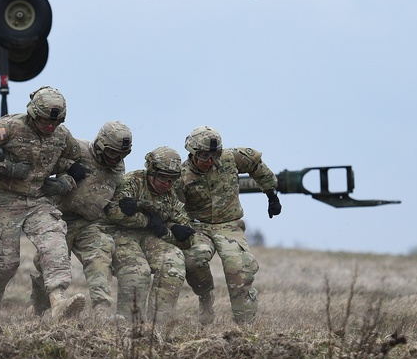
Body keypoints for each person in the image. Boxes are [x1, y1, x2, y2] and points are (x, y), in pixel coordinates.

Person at [0, 85, 86, 320]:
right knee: (4, 263)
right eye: (44, 121)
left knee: (54, 246)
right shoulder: (9, 126)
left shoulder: (62, 136)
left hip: (40, 199)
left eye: (55, 122)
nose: (49, 126)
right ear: (33, 113)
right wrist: (6, 168)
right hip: (5, 199)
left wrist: (64, 183)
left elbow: (77, 164)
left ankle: (58, 302)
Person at [178, 126, 281, 325]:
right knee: (193, 261)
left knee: (239, 269)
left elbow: (256, 165)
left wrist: (271, 195)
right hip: (199, 227)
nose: (210, 161)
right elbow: (173, 207)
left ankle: (244, 328)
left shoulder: (231, 158)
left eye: (214, 155)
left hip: (229, 225)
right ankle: (205, 296)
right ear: (192, 153)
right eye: (204, 156)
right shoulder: (182, 177)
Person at [30, 121, 133, 317]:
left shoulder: (118, 168)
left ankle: (102, 311)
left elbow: (115, 194)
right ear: (101, 144)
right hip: (58, 218)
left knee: (101, 256)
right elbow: (43, 166)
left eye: (122, 154)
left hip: (90, 223)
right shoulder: (76, 150)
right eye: (112, 152)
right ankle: (41, 307)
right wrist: (64, 174)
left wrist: (124, 204)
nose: (116, 158)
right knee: (48, 263)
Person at [105, 146, 195, 324]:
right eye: (162, 177)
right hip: (123, 234)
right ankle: (128, 323)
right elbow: (114, 212)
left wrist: (167, 231)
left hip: (152, 238)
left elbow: (187, 235)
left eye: (173, 178)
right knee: (138, 272)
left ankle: (159, 325)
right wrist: (146, 220)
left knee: (174, 261)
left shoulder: (171, 195)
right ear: (151, 172)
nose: (167, 184)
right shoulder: (132, 181)